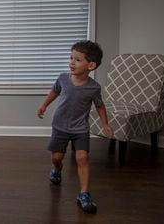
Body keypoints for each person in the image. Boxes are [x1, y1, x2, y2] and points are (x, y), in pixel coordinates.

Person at [37, 40, 113, 213]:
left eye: (77, 60)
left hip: (80, 129)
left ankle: (84, 193)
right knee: (57, 157)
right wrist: (44, 105)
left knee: (83, 158)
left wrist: (106, 124)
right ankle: (56, 169)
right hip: (60, 126)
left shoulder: (94, 87)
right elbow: (54, 92)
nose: (71, 62)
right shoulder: (63, 78)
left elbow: (100, 106)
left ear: (91, 65)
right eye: (71, 58)